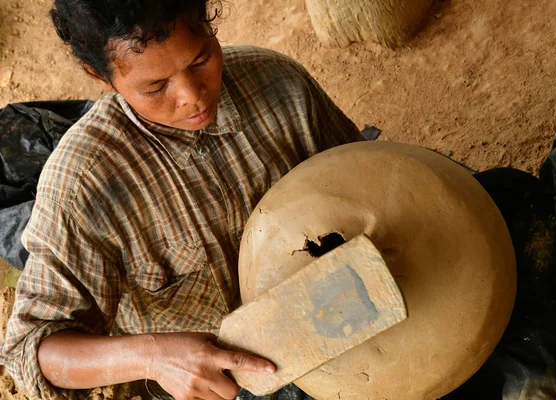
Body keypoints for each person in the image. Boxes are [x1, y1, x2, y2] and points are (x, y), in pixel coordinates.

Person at [0, 1, 365, 399]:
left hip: (336, 318)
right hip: (214, 386)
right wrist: (154, 358)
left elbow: (365, 181)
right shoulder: (84, 184)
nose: (192, 96)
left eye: (201, 59)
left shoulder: (280, 85)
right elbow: (33, 348)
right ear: (100, 76)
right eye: (155, 87)